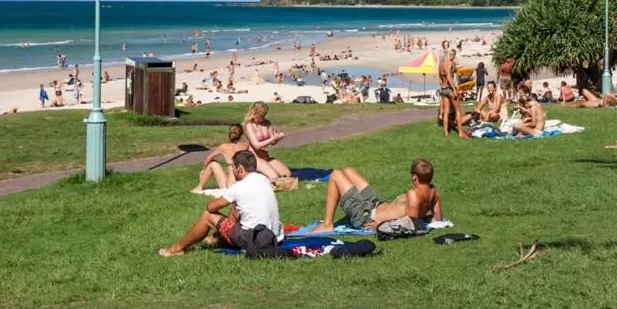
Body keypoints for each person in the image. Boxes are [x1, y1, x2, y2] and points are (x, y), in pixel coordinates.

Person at [159, 150, 282, 256]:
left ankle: (177, 248)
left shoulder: (239, 187)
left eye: (233, 167)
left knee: (208, 216)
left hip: (253, 240)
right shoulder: (264, 180)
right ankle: (216, 238)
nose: (231, 170)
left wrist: (214, 200)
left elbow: (211, 207)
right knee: (236, 209)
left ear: (240, 168)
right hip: (274, 236)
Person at [308, 159, 442, 233]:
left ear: (414, 178)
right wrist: (425, 218)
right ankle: (330, 222)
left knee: (335, 175)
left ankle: (327, 224)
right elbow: (438, 219)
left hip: (366, 216)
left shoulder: (413, 194)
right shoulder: (433, 191)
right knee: (349, 171)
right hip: (376, 203)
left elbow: (409, 225)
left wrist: (382, 225)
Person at [192, 124, 249, 193]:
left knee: (213, 163)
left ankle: (199, 187)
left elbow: (208, 158)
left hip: (230, 184)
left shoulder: (224, 147)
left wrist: (203, 170)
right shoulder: (245, 145)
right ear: (241, 134)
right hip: (243, 181)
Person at [242, 101, 291, 181]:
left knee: (287, 174)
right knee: (274, 177)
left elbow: (273, 142)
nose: (263, 117)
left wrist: (279, 137)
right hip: (254, 158)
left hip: (265, 156)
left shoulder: (267, 123)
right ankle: (259, 177)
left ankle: (262, 174)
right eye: (262, 115)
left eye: (265, 114)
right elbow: (257, 146)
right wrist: (273, 138)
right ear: (255, 113)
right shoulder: (249, 125)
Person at [437, 49, 468, 139]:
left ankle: (446, 133)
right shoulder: (449, 63)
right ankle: (460, 132)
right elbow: (449, 77)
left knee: (446, 112)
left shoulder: (441, 64)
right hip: (449, 89)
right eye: (454, 55)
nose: (454, 57)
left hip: (443, 89)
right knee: (458, 111)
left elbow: (441, 78)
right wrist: (454, 89)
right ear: (452, 55)